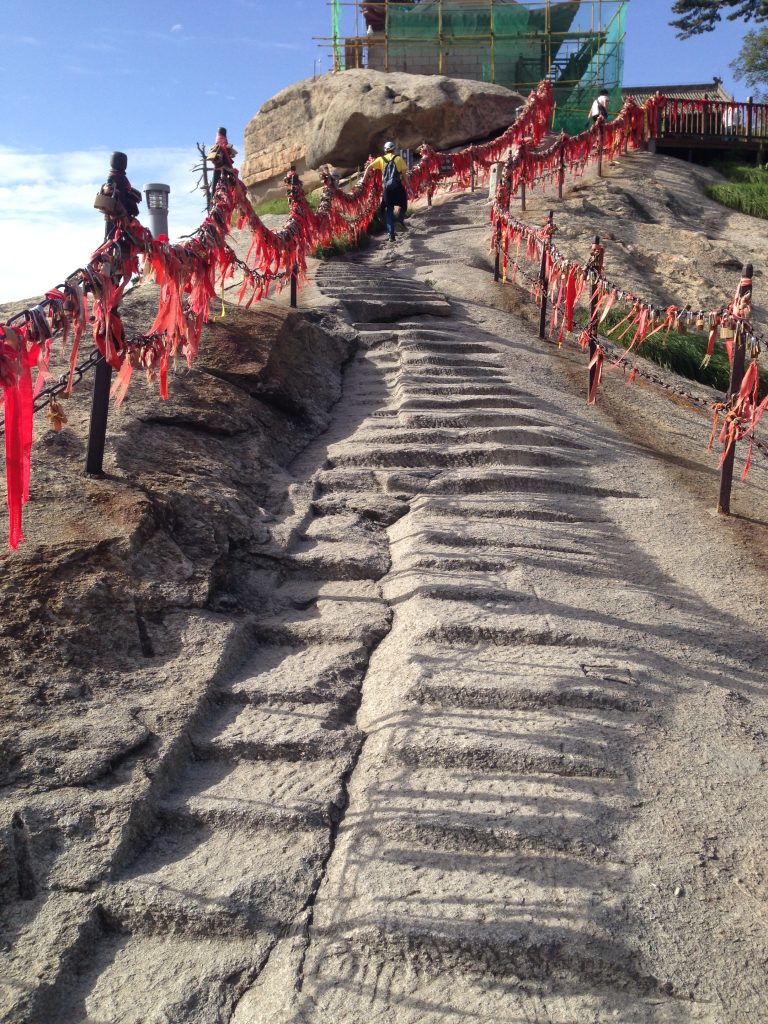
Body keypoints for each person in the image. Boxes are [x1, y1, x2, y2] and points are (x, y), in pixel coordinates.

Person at [365, 140, 409, 242]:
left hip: (387, 189)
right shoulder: (398, 159)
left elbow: (369, 168)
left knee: (389, 210)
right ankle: (399, 221)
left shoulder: (380, 159)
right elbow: (405, 175)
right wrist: (409, 187)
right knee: (403, 205)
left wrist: (363, 180)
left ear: (385, 150)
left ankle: (391, 235)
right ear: (393, 150)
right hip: (398, 187)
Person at [96, 151, 141, 242]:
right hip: (115, 209)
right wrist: (111, 190)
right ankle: (110, 245)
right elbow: (108, 189)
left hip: (122, 206)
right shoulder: (113, 176)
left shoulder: (122, 177)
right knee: (111, 232)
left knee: (121, 230)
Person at [207, 128, 237, 202]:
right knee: (223, 184)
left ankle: (215, 199)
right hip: (224, 169)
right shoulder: (224, 147)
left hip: (221, 170)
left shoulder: (221, 148)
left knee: (216, 186)